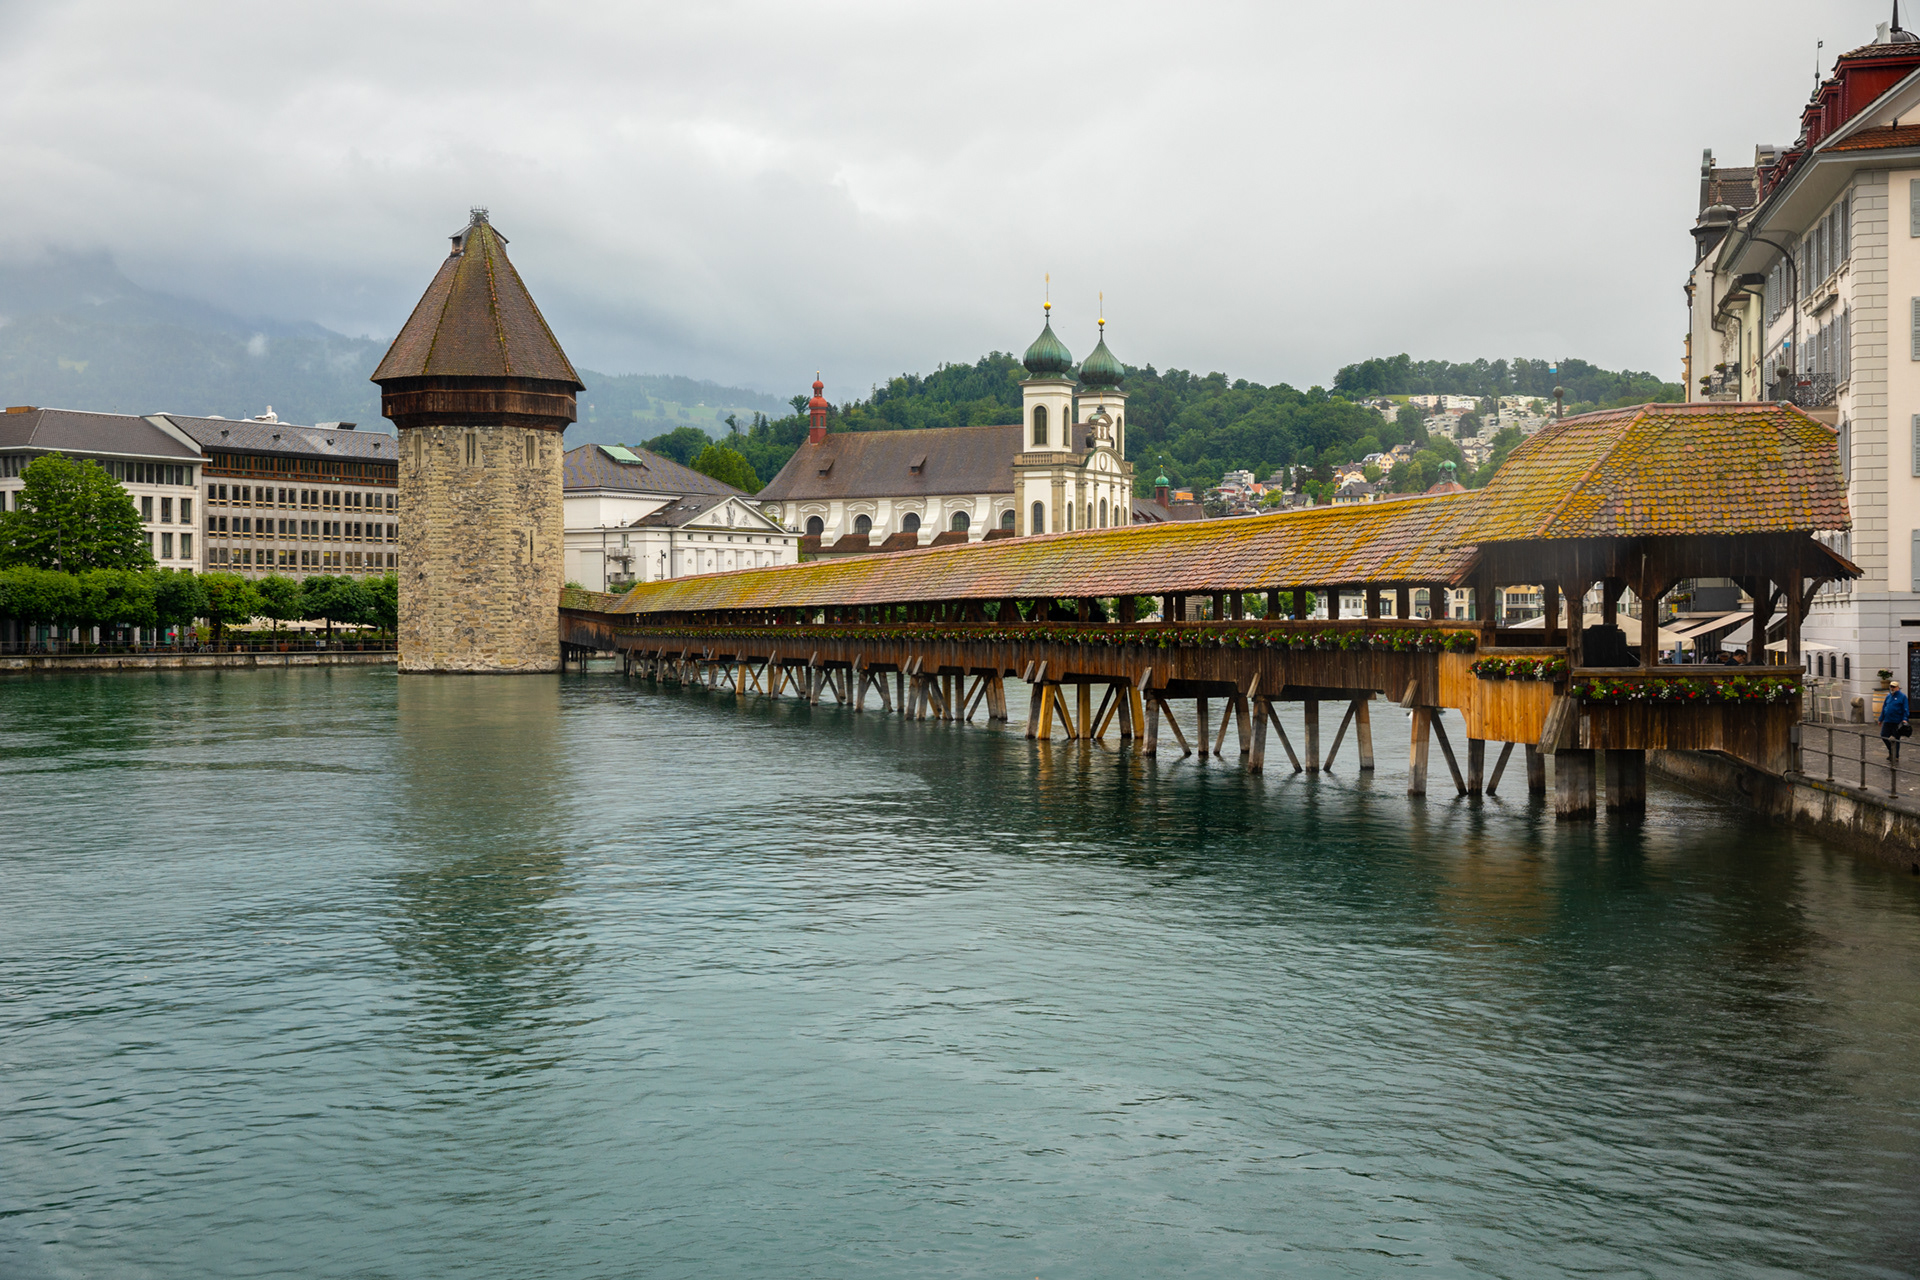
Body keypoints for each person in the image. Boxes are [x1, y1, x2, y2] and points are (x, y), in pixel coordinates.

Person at [1881, 679, 1910, 765]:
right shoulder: (1888, 696)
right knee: (1884, 735)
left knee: (1896, 739)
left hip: (1897, 721)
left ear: (1898, 687)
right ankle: (1891, 751)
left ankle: (1895, 755)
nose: (1892, 688)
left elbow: (1906, 709)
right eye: (1891, 686)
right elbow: (1884, 708)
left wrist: (1905, 718)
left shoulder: (1903, 697)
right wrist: (1881, 718)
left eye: (1893, 687)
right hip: (1887, 720)